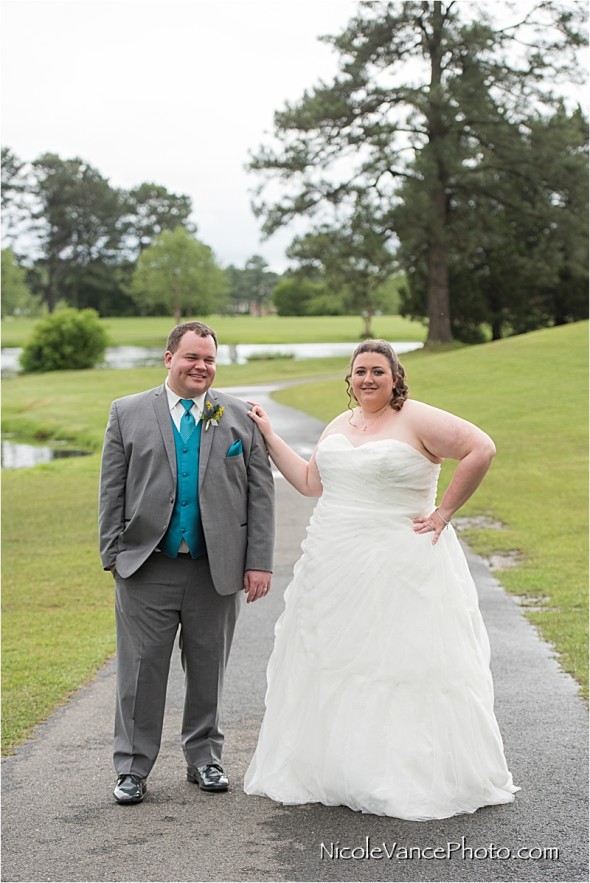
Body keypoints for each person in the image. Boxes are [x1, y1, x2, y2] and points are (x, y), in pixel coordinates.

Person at [244, 339, 518, 820]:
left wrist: (444, 512)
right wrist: (268, 434)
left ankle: (400, 775)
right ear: (349, 379)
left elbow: (481, 448)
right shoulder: (339, 424)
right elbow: (310, 483)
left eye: (377, 371)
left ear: (395, 377)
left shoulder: (416, 418)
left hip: (399, 560)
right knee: (335, 660)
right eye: (359, 371)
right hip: (333, 560)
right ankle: (341, 770)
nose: (367, 378)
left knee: (397, 663)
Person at [99, 321, 274, 805]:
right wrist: (112, 553)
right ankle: (132, 768)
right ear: (169, 358)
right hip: (146, 566)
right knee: (140, 670)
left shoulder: (240, 416)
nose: (202, 367)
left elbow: (261, 494)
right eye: (192, 357)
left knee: (208, 668)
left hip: (214, 569)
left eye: (210, 360)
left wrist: (258, 561)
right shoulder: (127, 413)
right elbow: (112, 488)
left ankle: (205, 759)